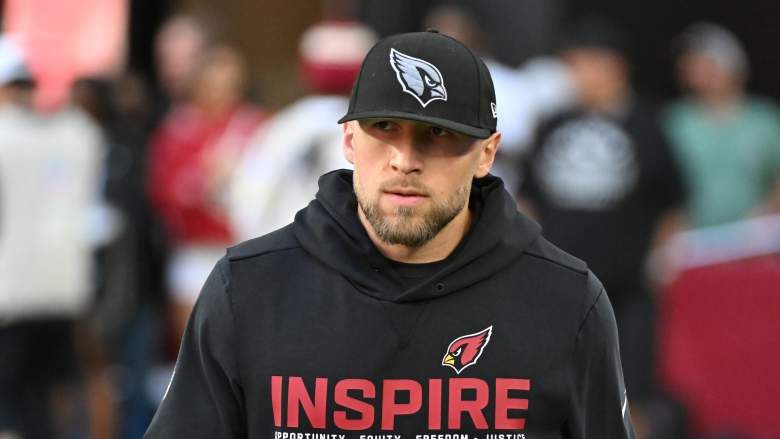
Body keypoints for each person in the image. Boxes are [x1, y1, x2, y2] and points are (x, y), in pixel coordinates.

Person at [145, 30, 635, 439]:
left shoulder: (565, 303)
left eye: (438, 134)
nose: (405, 159)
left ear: (487, 154)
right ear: (351, 141)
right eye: (385, 127)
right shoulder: (248, 290)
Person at [515, 18, 686, 439]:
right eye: (571, 65)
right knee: (551, 390)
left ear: (613, 66)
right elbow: (526, 199)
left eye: (583, 64)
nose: (575, 75)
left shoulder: (648, 125)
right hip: (558, 287)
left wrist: (660, 260)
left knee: (632, 394)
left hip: (626, 291)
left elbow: (674, 203)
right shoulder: (553, 123)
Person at [664, 22, 780, 229]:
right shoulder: (673, 121)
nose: (698, 69)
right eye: (691, 63)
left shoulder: (765, 119)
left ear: (734, 68)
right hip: (692, 240)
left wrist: (769, 211)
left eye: (708, 62)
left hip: (754, 241)